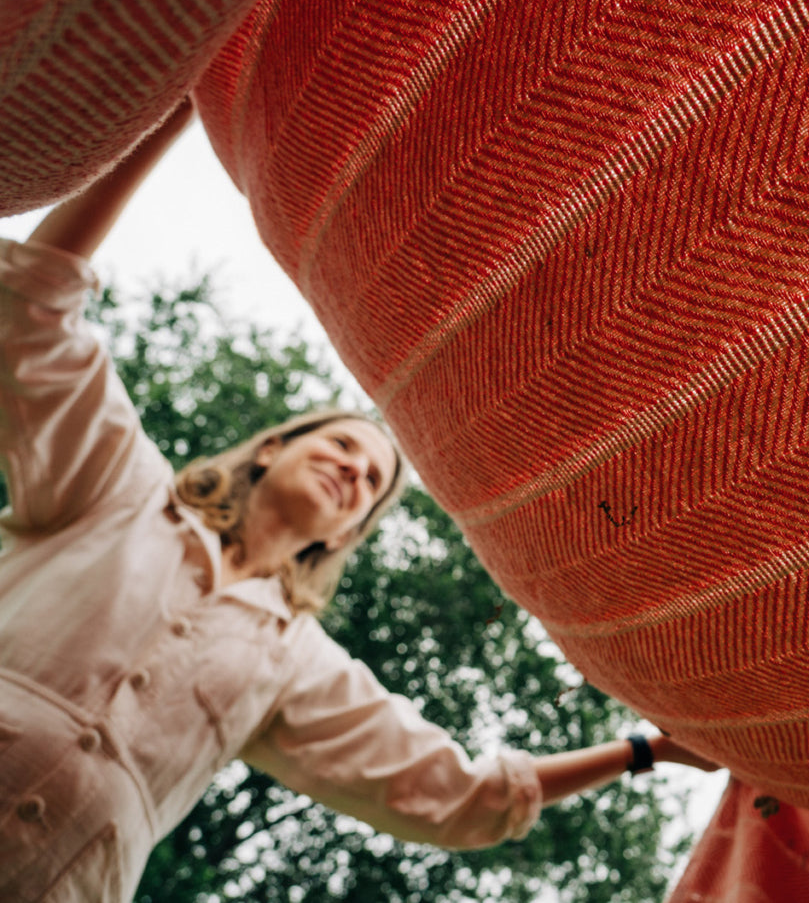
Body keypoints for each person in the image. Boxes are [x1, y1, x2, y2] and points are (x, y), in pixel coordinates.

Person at [0, 102, 717, 903]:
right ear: (273, 446)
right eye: (342, 445)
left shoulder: (292, 661)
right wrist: (165, 119)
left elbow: (452, 794)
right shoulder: (116, 489)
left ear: (346, 533)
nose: (355, 472)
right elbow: (32, 310)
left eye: (371, 484)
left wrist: (644, 752)